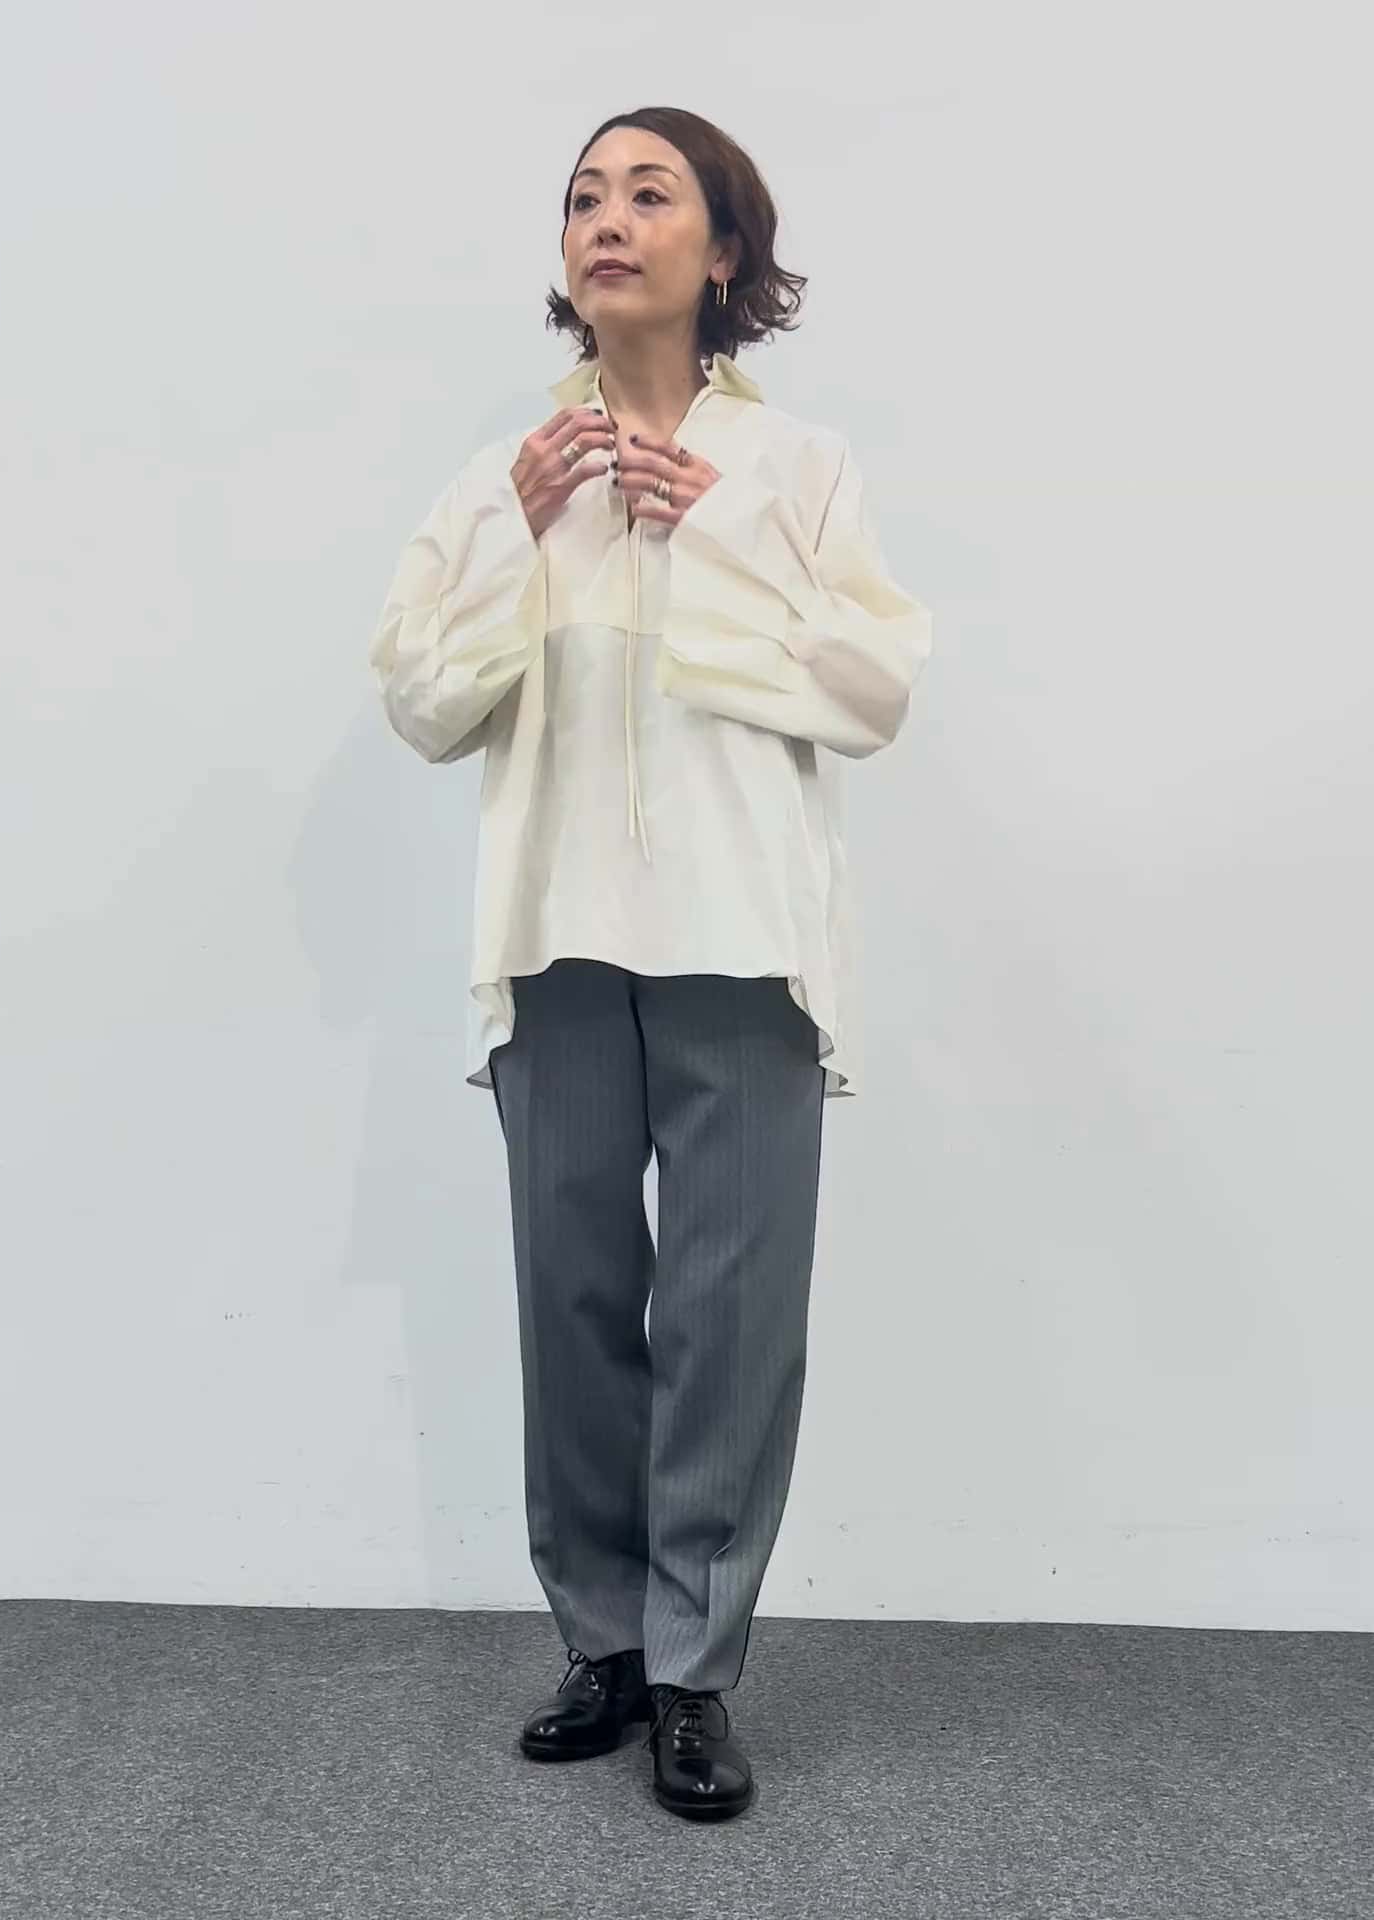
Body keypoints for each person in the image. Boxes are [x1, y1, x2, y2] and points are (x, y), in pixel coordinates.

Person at [367, 107, 933, 1822]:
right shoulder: (504, 479)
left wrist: (722, 540)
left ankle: (695, 1670)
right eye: (581, 197)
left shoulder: (797, 471)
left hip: (741, 939)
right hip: (551, 937)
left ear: (723, 249)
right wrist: (520, 542)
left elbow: (872, 692)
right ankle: (603, 1645)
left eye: (647, 192)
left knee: (729, 1318)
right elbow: (422, 702)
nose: (605, 219)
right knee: (574, 1303)